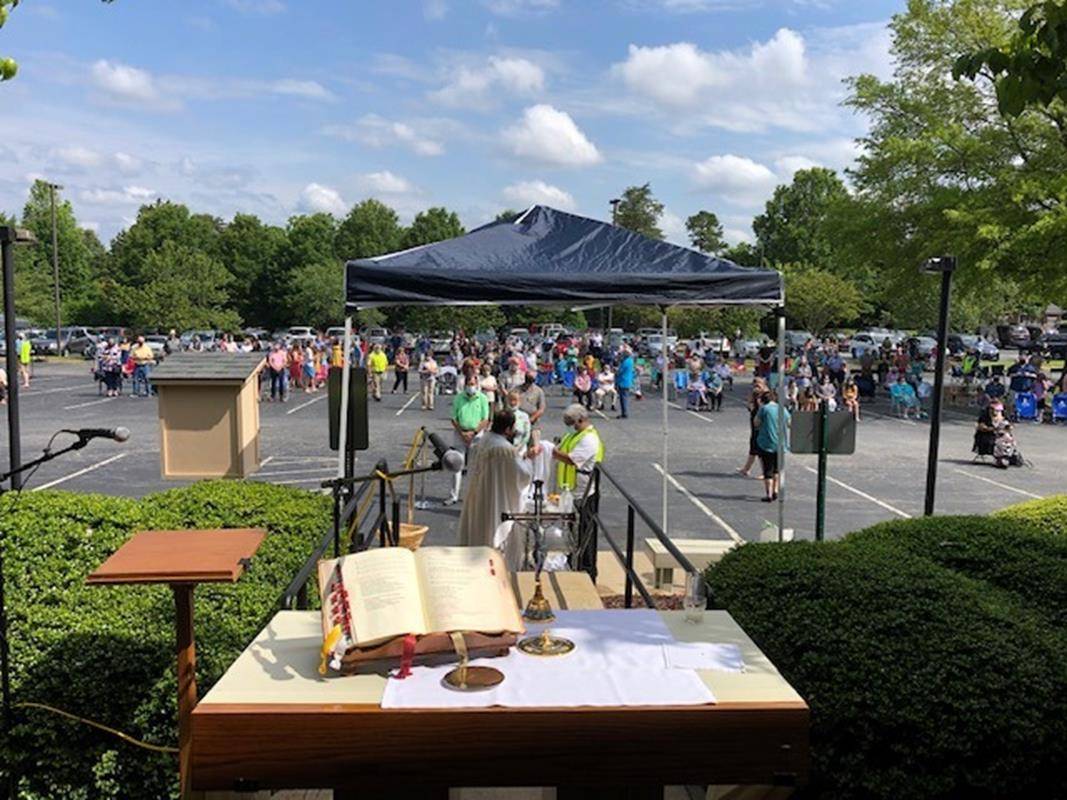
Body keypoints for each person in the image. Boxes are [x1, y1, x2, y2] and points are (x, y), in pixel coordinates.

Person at [457, 409, 533, 569]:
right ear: (507, 429)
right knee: (494, 537)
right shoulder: (505, 449)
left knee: (479, 531)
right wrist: (528, 461)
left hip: (479, 496)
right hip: (497, 500)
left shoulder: (482, 440)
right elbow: (522, 475)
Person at [447, 375, 491, 506]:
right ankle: (453, 495)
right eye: (469, 384)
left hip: (476, 435)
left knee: (473, 467)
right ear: (465, 384)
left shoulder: (483, 398)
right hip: (460, 434)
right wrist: (462, 433)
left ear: (477, 385)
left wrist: (474, 433)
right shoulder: (458, 398)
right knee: (456, 466)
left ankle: (472, 496)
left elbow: (485, 419)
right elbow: (454, 418)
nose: (471, 386)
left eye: (473, 384)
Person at [552, 403, 604, 500]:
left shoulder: (589, 439)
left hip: (583, 493)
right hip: (569, 490)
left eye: (570, 423)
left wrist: (553, 452)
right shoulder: (572, 434)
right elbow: (561, 447)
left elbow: (572, 460)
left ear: (580, 420)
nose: (568, 426)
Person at [754, 390, 790, 503]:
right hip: (781, 443)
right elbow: (789, 423)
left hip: (766, 443)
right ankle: (775, 490)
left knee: (767, 470)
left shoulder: (764, 409)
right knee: (777, 470)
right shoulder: (782, 409)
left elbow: (756, 423)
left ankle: (768, 494)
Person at [615, 345, 636, 419]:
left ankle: (624, 413)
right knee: (624, 397)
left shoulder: (626, 362)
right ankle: (624, 412)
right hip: (628, 381)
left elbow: (620, 371)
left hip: (623, 381)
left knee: (623, 398)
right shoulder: (630, 361)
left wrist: (616, 370)